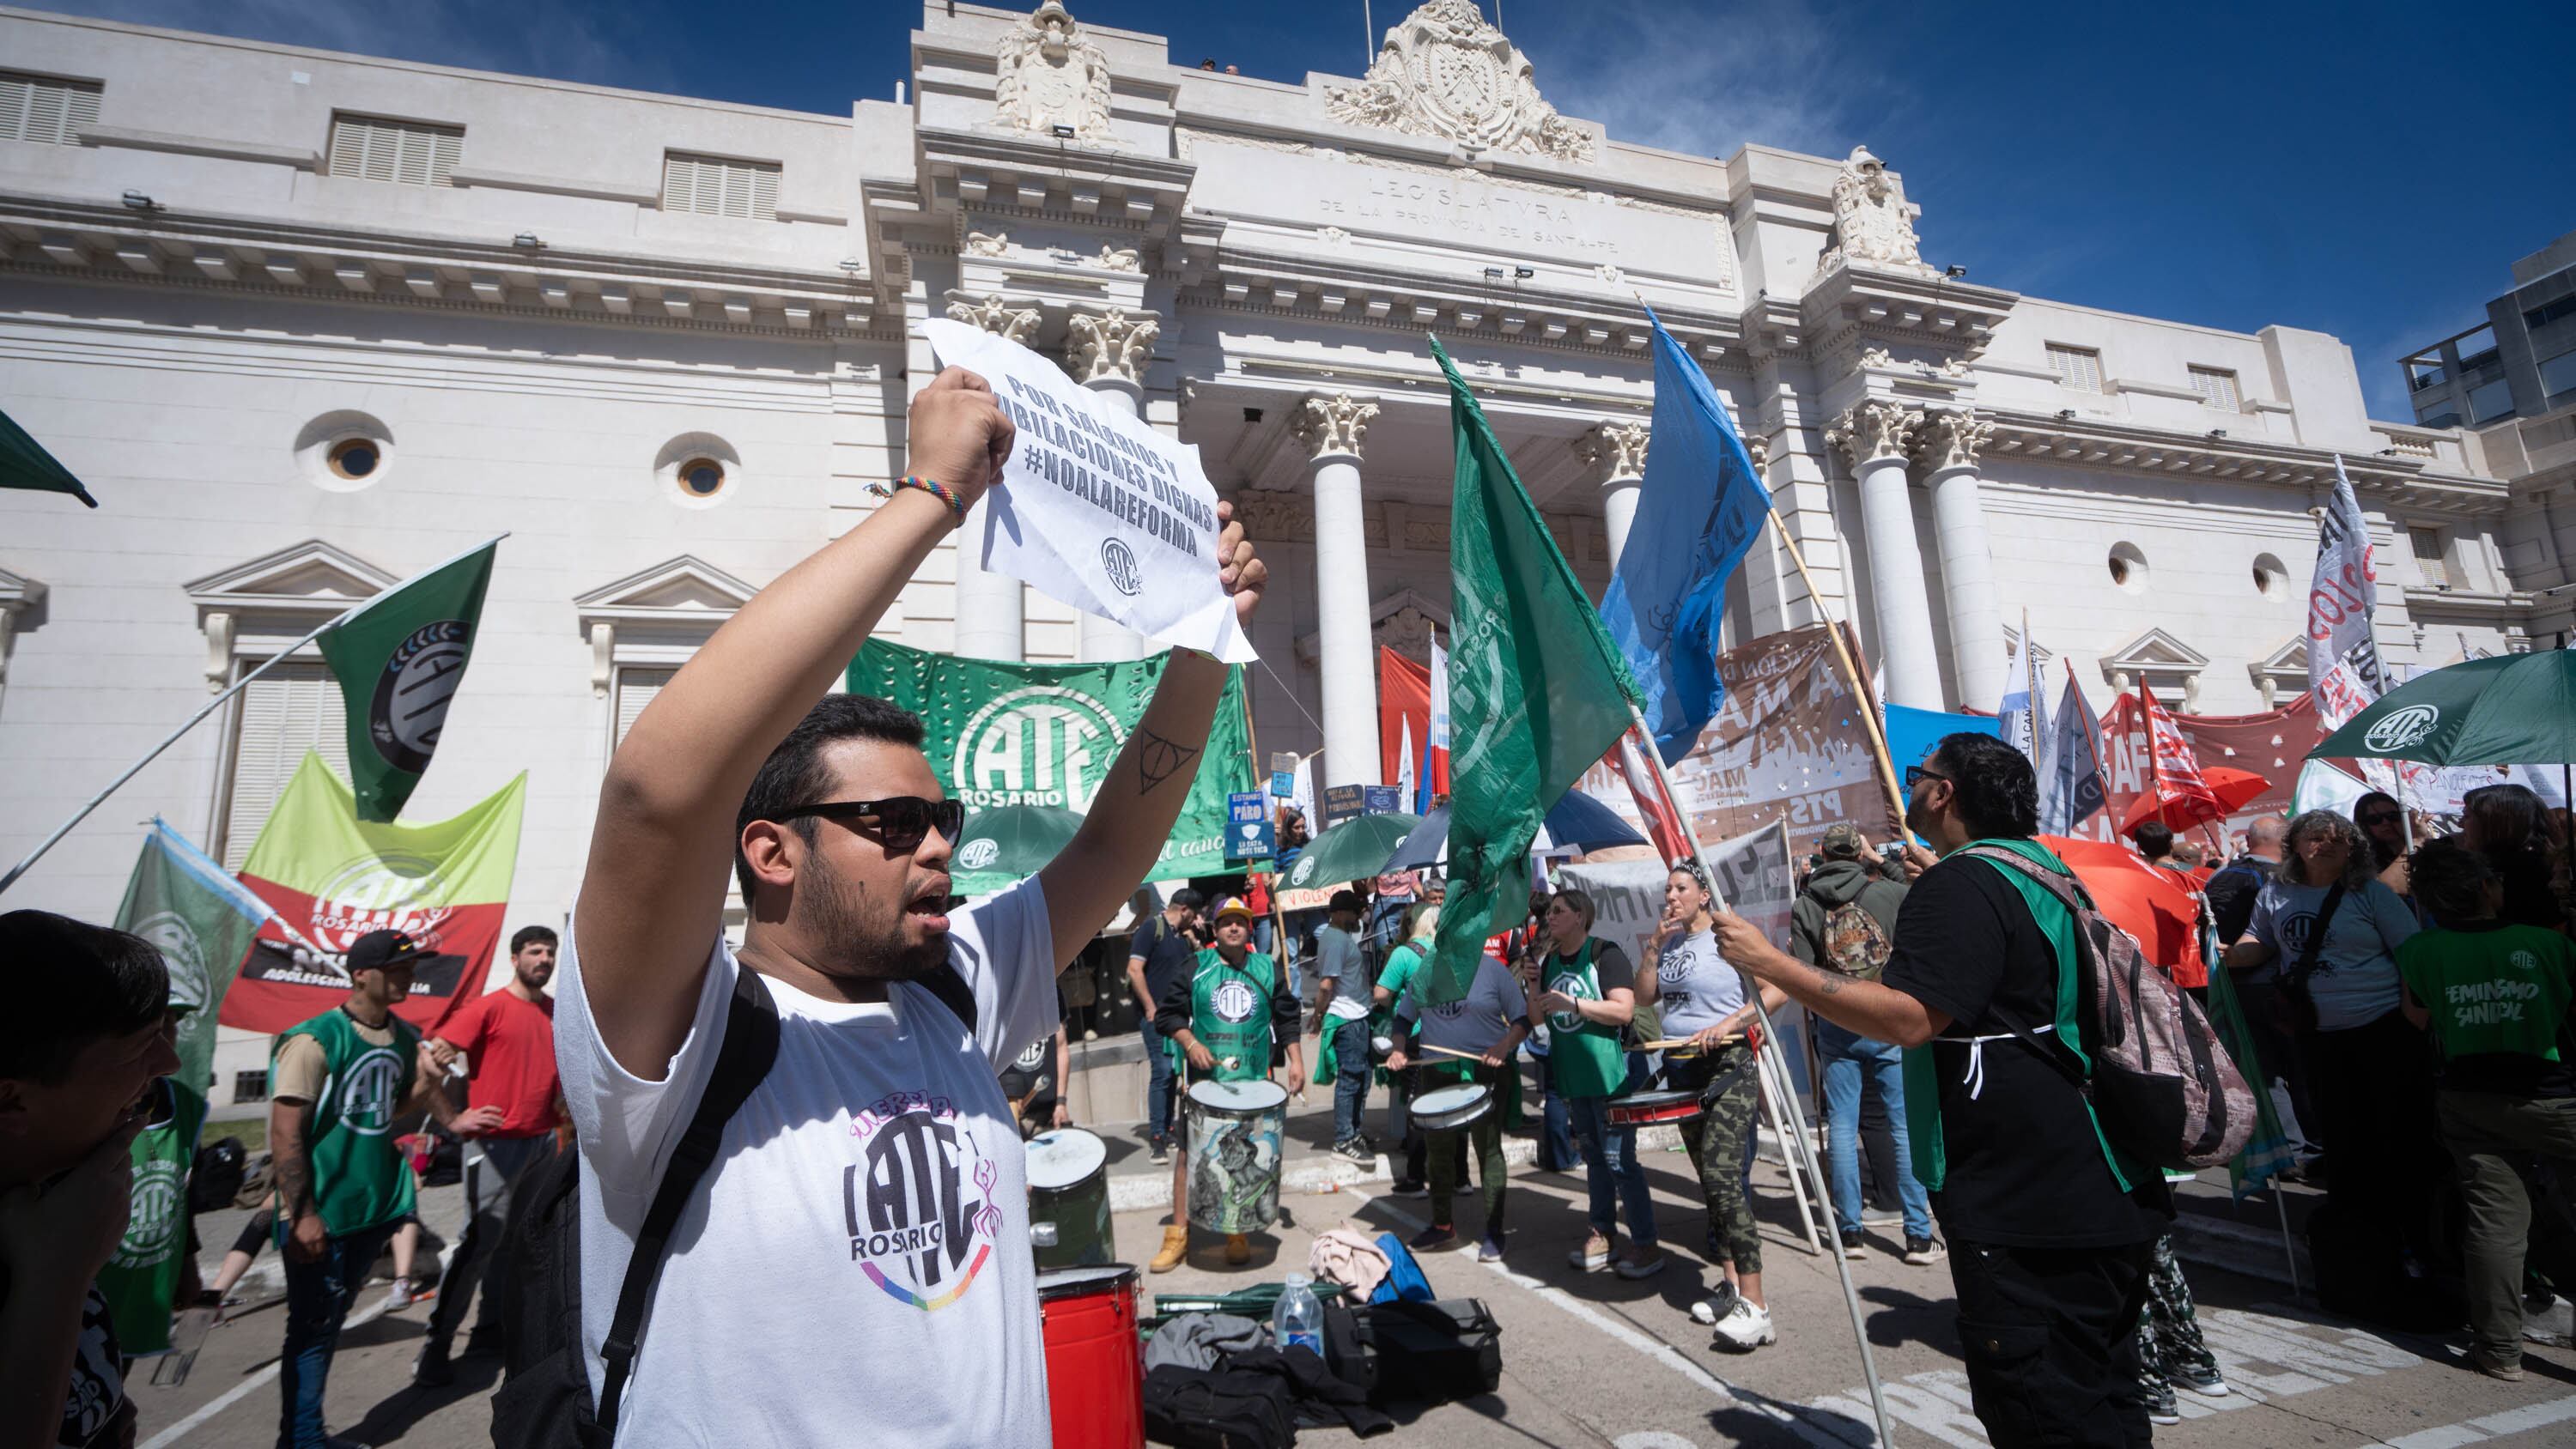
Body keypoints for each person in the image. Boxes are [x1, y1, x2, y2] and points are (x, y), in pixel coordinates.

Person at [560, 362, 1267, 1444]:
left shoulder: (953, 989)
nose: (938, 843)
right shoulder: (675, 1037)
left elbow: (1115, 843)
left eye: (941, 815)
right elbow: (657, 793)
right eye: (893, 821)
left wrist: (1208, 637)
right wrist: (930, 497)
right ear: (771, 851)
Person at [1712, 733, 2174, 1448]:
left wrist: (1772, 962)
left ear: (1945, 792)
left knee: (2046, 1416)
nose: (1910, 787)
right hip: (2101, 1181)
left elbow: (1909, 1019)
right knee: (2104, 1402)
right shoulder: (2043, 869)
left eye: (1917, 775)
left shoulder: (1960, 885)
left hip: (2028, 1201)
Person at [269, 929, 501, 1449]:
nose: (408, 977)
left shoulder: (401, 1036)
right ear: (361, 975)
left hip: (368, 1211)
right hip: (321, 1212)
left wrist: (428, 1081)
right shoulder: (314, 1040)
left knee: (327, 1326)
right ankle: (303, 1440)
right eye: (397, 968)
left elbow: (391, 1111)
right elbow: (285, 1133)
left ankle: (306, 1435)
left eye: (410, 968)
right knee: (311, 1332)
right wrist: (302, 1214)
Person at [2224, 809, 2441, 1295]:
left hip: (2382, 1028)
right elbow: (2260, 940)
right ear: (2296, 845)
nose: (2325, 845)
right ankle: (2357, 1231)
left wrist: (2414, 1010)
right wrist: (2231, 952)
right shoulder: (2276, 892)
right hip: (2317, 1034)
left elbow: (2411, 951)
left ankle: (2409, 1236)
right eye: (2315, 837)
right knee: (2341, 1133)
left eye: (2337, 839)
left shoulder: (2371, 894)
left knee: (2394, 1133)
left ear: (2353, 848)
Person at [2397, 838, 2576, 1379]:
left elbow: (2417, 1018)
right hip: (2555, 1095)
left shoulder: (2419, 950)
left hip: (2470, 1098)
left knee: (2496, 1224)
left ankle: (2499, 1350)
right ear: (2486, 888)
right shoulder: (2548, 943)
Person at [0, 911, 176, 1449]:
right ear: (11, 1100)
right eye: (142, 1045)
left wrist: (105, 1406)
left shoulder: (57, 1198)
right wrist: (60, 1273)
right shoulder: (57, 1237)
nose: (169, 1062)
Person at [1645, 860, 1793, 1348]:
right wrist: (1652, 948)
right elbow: (1645, 998)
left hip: (1728, 1064)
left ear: (1704, 895)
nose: (1671, 897)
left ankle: (1757, 1303)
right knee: (1710, 1181)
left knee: (1724, 1173)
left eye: (1680, 888)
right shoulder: (1670, 943)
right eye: (1667, 889)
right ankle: (1731, 1287)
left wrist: (1731, 1023)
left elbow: (1777, 989)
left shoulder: (1730, 936)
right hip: (1681, 1066)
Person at [413, 924, 563, 1385]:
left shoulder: (554, 1011)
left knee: (514, 1245)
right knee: (478, 1245)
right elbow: (428, 1063)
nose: (544, 959)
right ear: (515, 959)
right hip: (495, 1145)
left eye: (550, 952)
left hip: (541, 1143)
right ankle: (436, 1346)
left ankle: (488, 1332)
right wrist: (454, 1119)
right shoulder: (488, 1008)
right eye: (535, 951)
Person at [1789, 824, 1937, 1265]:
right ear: (1858, 853)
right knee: (1902, 1126)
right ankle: (1918, 1236)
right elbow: (1922, 891)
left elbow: (1803, 974)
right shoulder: (1887, 893)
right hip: (1886, 1017)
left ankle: (1849, 1232)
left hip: (1837, 1024)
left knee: (1841, 1126)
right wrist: (1879, 860)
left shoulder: (1806, 904)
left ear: (1822, 853)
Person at [1151, 896, 1303, 1272]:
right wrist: (1191, 1044)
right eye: (1226, 922)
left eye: (1240, 922)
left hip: (1253, 1086)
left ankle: (1238, 1231)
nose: (1234, 927)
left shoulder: (1267, 968)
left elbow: (1287, 1017)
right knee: (1187, 1156)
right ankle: (1178, 1236)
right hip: (1205, 1086)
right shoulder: (1195, 967)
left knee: (1245, 1159)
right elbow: (1167, 1016)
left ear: (1249, 929)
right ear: (1214, 929)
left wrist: (1297, 1061)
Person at [1531, 889, 1663, 1279]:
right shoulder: (1550, 960)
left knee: (1619, 1160)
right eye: (1550, 911)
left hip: (1610, 1076)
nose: (1551, 917)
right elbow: (1537, 1020)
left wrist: (1574, 1005)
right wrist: (1533, 984)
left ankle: (1646, 1244)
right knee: (1594, 1160)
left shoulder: (1605, 954)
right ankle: (1602, 1233)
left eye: (1559, 911)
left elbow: (1624, 1010)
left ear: (1580, 916)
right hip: (1574, 1077)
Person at [1385, 949, 1528, 1261]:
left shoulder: (1494, 971)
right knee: (1438, 1151)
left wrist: (1504, 1046)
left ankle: (1494, 1232)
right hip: (1436, 1071)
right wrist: (1398, 1049)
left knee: (1488, 1150)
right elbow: (1404, 1019)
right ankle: (1442, 1225)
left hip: (1486, 1071)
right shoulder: (1426, 972)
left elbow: (1522, 1019)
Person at [1128, 888, 1205, 1166]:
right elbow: (1134, 970)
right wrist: (1150, 1007)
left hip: (1178, 1018)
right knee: (1161, 1071)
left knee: (1173, 1072)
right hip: (1156, 1016)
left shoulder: (1181, 937)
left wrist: (1195, 940)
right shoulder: (1151, 928)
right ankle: (1157, 1137)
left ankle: (1169, 1127)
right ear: (1184, 909)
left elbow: (1202, 965)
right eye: (1194, 914)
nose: (1196, 919)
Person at [1375, 902, 1441, 1195]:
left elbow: (1381, 994)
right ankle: (1460, 1179)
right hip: (1447, 1034)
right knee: (1446, 1103)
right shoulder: (1446, 952)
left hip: (1413, 1036)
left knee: (1417, 1107)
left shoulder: (1403, 954)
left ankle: (1415, 1178)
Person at [1313, 889, 1374, 1162]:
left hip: (1358, 1016)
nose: (1357, 918)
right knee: (1350, 1082)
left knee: (1363, 1079)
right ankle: (1343, 1140)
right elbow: (1327, 985)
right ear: (1338, 913)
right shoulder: (1336, 941)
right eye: (1353, 913)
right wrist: (1317, 1015)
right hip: (1347, 1020)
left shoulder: (1341, 937)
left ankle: (1354, 1132)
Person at [2460, 783, 2567, 931]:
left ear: (2496, 821)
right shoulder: (2520, 863)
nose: (2460, 824)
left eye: (2467, 816)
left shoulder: (2529, 872)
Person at [999, 1024, 1072, 1139]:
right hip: (1012, 1112)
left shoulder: (1051, 1012)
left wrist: (1061, 1103)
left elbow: (1061, 1047)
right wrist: (1009, 1098)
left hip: (1048, 1110)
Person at [2354, 790, 2415, 898]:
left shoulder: (2426, 846)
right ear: (2364, 825)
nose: (2386, 823)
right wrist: (2416, 840)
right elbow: (2385, 890)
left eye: (2393, 816)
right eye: (2375, 819)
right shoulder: (2363, 860)